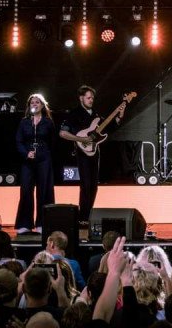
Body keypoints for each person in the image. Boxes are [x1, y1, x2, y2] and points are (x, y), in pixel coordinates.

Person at [59, 85, 124, 223]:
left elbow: (110, 127)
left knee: (94, 185)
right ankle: (83, 217)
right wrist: (81, 139)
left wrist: (120, 114)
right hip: (82, 151)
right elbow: (63, 133)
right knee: (86, 185)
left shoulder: (95, 115)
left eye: (92, 98)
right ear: (81, 98)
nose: (91, 100)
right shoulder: (73, 114)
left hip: (95, 152)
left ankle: (88, 215)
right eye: (88, 98)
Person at [15, 94, 55, 234]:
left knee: (44, 191)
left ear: (42, 105)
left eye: (37, 102)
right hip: (28, 159)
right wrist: (26, 153)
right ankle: (25, 224)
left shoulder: (48, 122)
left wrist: (45, 153)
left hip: (44, 159)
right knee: (26, 190)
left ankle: (42, 224)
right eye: (32, 102)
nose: (35, 104)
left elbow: (52, 142)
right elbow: (18, 141)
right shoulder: (24, 122)